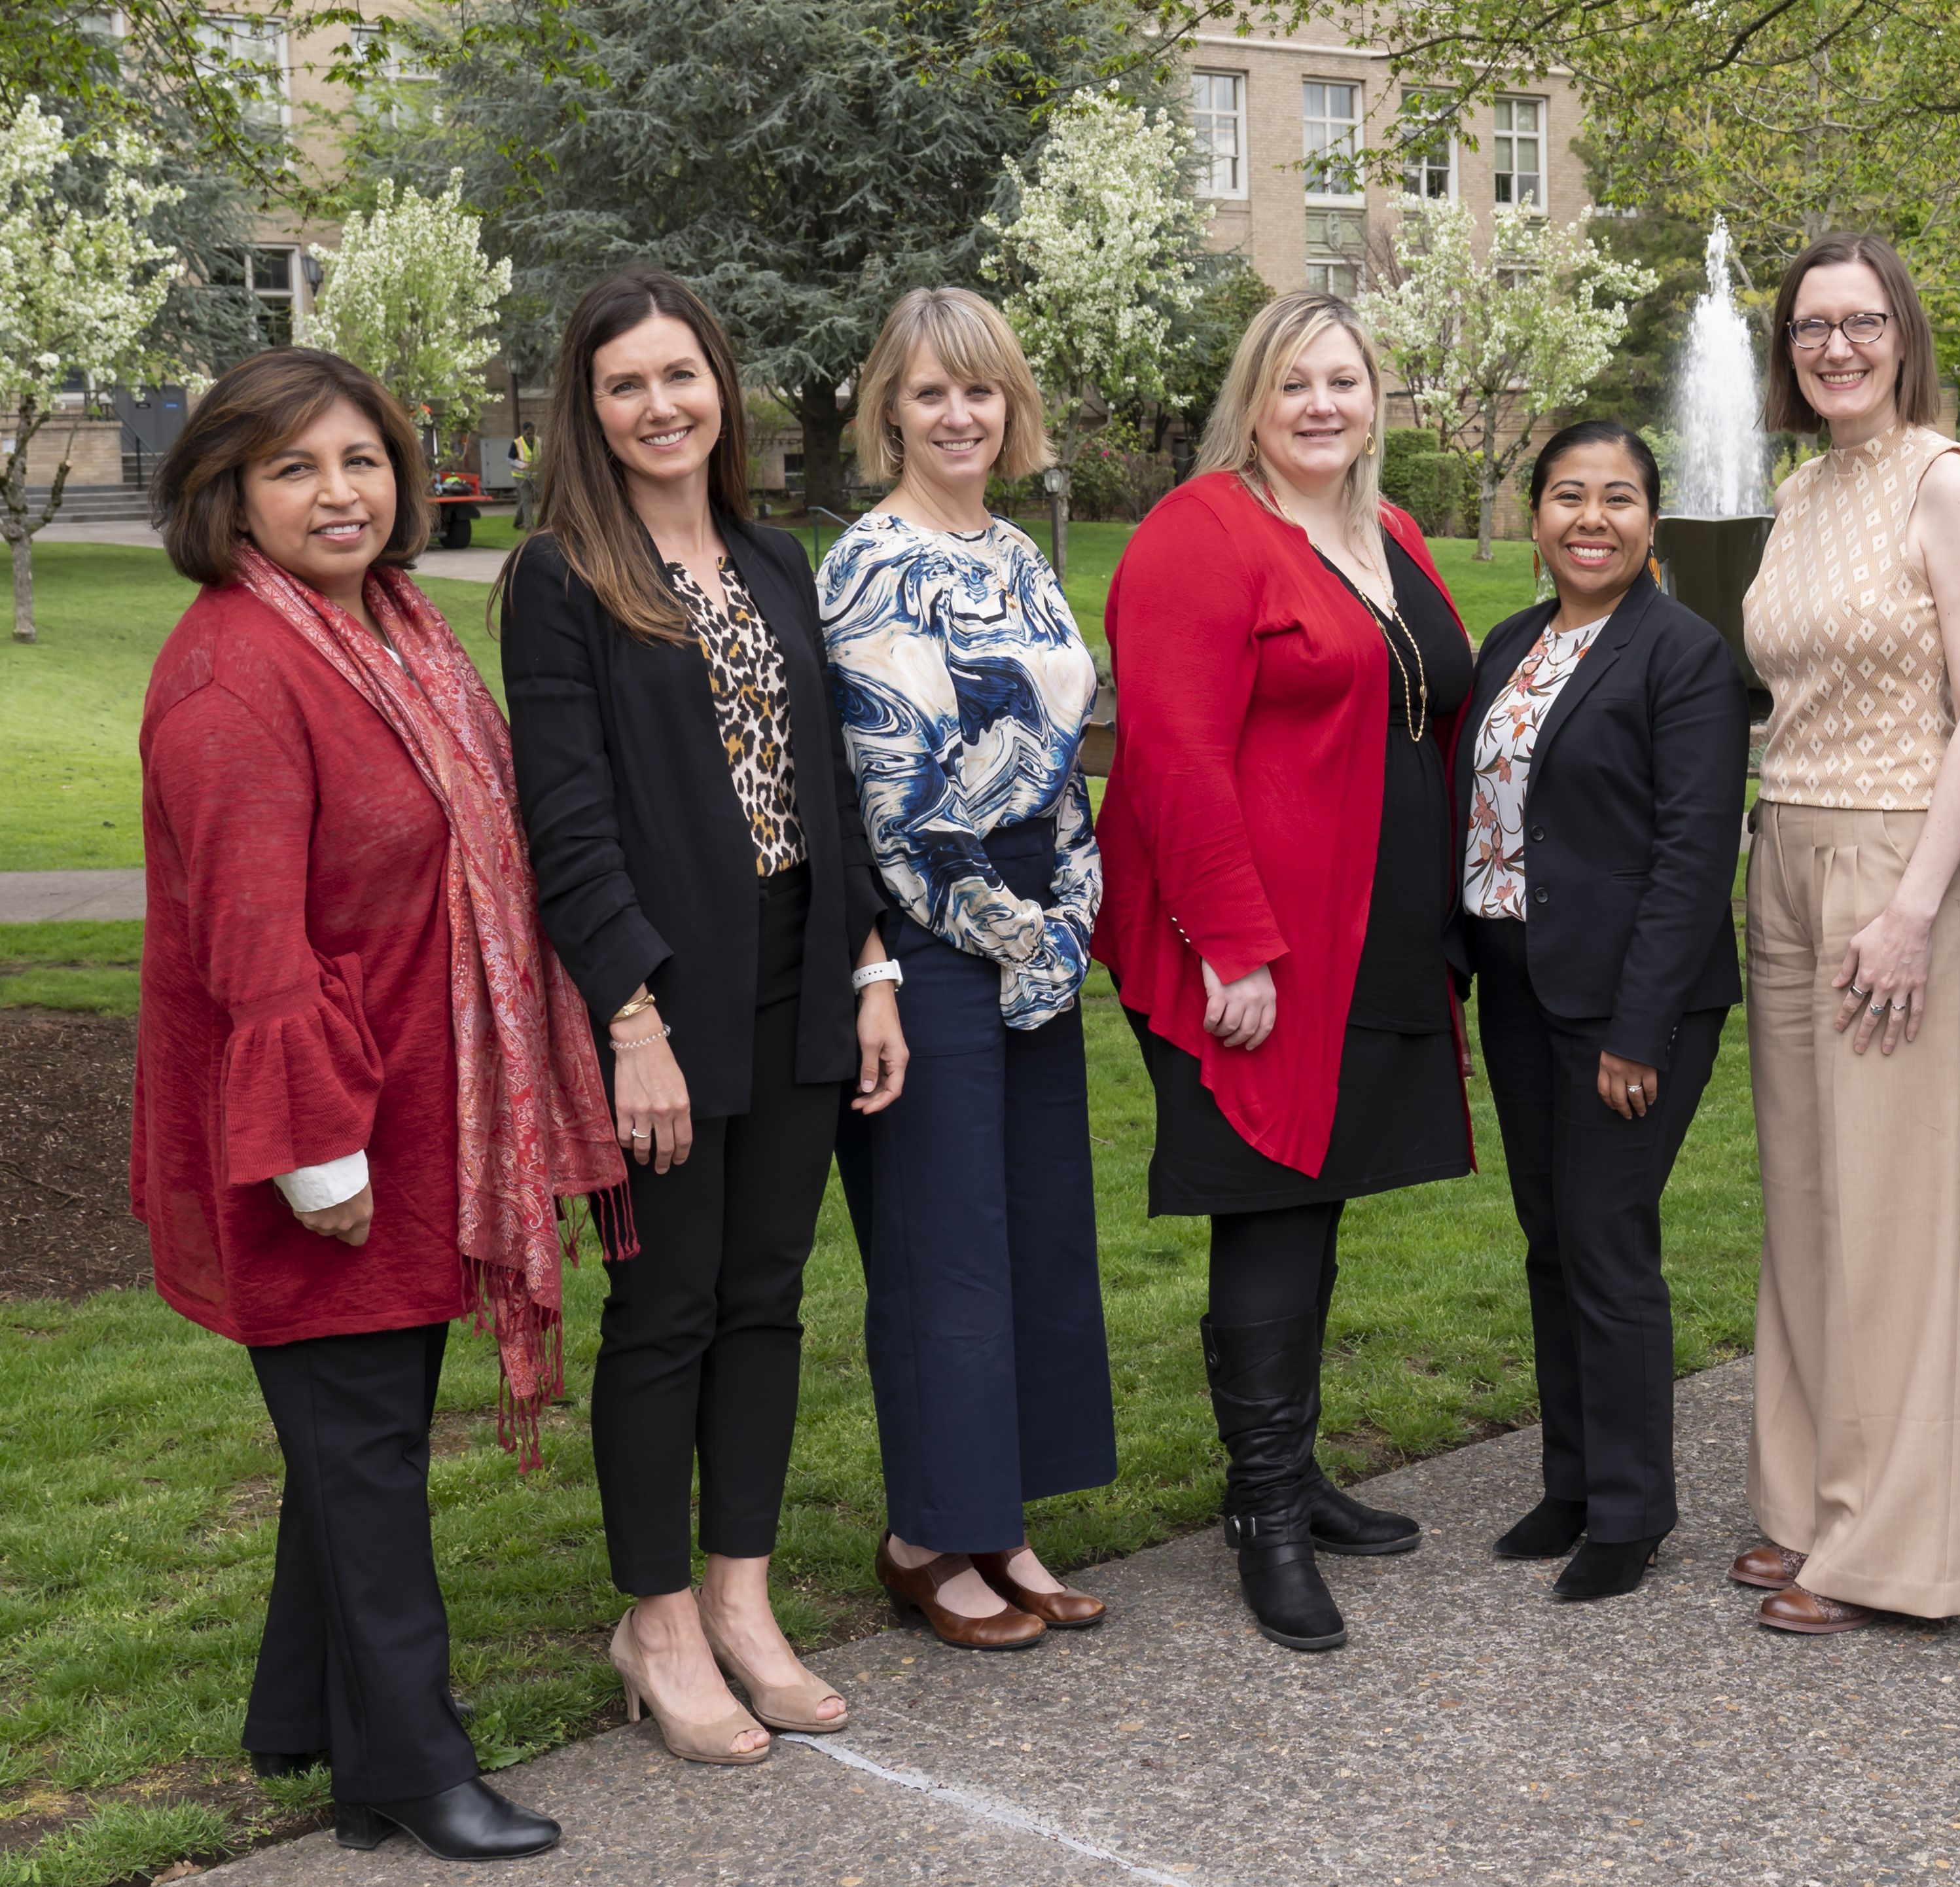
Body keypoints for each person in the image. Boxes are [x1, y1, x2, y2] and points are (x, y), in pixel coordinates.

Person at [135, 347, 615, 1861]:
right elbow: (252, 937)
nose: (338, 492)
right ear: (230, 496)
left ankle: (306, 1721)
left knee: (363, 1434)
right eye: (294, 468)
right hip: (318, 1131)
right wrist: (312, 1148)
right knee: (363, 1446)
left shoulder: (394, 622)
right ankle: (410, 1762)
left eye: (360, 459)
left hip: (422, 1101)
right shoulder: (234, 670)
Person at [502, 269, 907, 1761]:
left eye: (683, 375)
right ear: (590, 410)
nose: (661, 404)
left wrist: (867, 968)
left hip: (802, 966)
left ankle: (740, 1598)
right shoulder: (559, 576)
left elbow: (829, 789)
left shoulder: (771, 557)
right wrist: (631, 1017)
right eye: (627, 384)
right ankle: (656, 1619)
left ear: (719, 390)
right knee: (665, 1310)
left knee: (766, 1294)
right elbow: (569, 818)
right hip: (668, 988)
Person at [1096, 290, 1470, 1653]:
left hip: (1365, 930)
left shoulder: (1393, 535)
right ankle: (1261, 1513)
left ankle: (1297, 1472)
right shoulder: (1200, 531)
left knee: (1319, 1205)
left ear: (1377, 398)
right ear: (1251, 399)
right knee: (1268, 1201)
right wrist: (1230, 945)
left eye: (1346, 381)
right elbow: (1171, 753)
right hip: (1243, 939)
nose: (1323, 405)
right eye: (1294, 383)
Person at [819, 287, 1115, 1649]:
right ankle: (926, 1533)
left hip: (1040, 943)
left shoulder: (1020, 553)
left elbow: (1062, 755)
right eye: (932, 392)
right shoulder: (869, 563)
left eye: (981, 391)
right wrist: (1012, 928)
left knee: (1035, 1236)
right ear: (890, 406)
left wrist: (1076, 912)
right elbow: (897, 789)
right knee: (946, 1252)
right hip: (938, 945)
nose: (959, 414)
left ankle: (1001, 1518)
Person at [1732, 233, 1960, 1636]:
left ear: (1903, 331)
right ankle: (1804, 1503)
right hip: (1780, 845)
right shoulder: (1801, 489)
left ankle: (1893, 1545)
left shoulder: (1946, 483)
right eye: (1808, 328)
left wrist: (1911, 907)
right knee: (1805, 1196)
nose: (1835, 346)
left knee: (1894, 1205)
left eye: (1859, 322)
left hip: (1898, 854)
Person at [1461, 422, 1749, 1602]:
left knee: (1608, 1240)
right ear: (1535, 516)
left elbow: (1691, 856)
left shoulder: (1685, 657)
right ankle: (1572, 1482)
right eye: (1568, 496)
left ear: (1652, 520)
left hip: (1632, 1002)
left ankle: (1631, 1513)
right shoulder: (1511, 643)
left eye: (1619, 498)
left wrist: (1641, 1030)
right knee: (1550, 1238)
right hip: (1520, 981)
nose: (1592, 518)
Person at [508, 422, 539, 532]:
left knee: (528, 499)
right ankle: (529, 526)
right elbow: (510, 460)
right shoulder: (517, 443)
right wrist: (523, 465)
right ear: (524, 432)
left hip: (535, 475)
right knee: (527, 499)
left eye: (532, 434)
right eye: (528, 434)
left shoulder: (539, 442)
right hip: (520, 475)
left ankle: (518, 522)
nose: (531, 436)